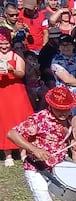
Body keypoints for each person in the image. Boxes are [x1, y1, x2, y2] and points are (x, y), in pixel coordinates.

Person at [0, 27, 33, 167]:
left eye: (6, 43)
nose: (3, 47)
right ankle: (7, 154)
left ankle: (23, 152)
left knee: (20, 120)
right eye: (1, 44)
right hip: (2, 92)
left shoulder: (16, 55)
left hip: (16, 91)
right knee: (4, 121)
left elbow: (21, 73)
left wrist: (12, 70)